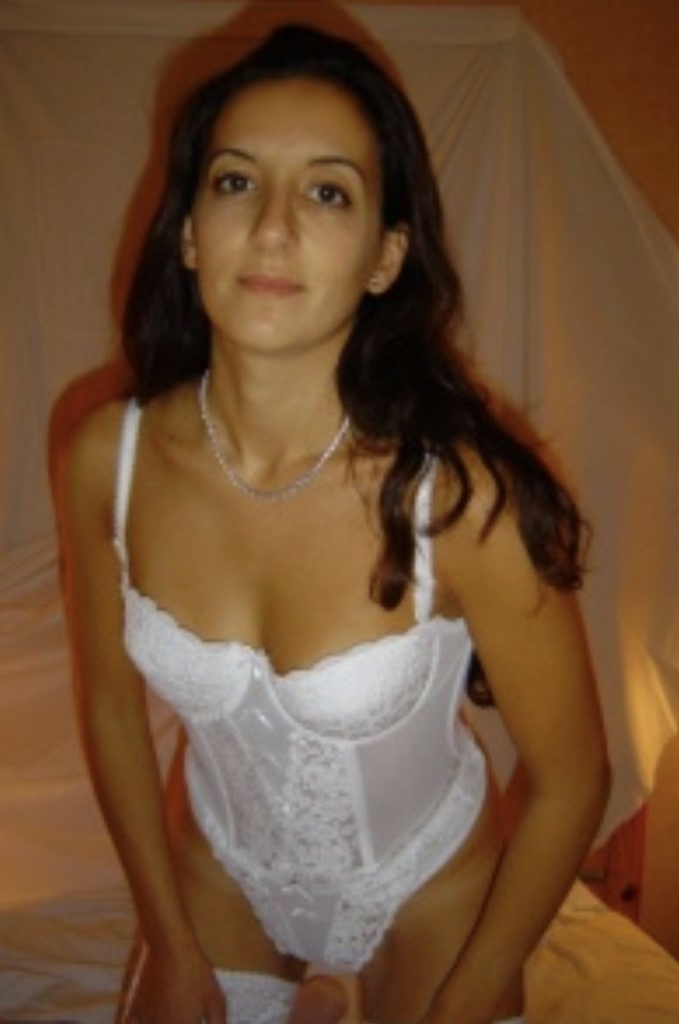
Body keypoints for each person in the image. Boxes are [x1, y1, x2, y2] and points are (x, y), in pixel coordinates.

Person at [56, 22, 610, 1024]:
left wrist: (475, 987)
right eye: (235, 182)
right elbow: (108, 706)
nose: (273, 227)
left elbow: (573, 779)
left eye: (327, 193)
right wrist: (168, 939)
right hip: (217, 874)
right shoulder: (109, 458)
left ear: (387, 256)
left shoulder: (460, 498)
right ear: (189, 232)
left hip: (430, 890)